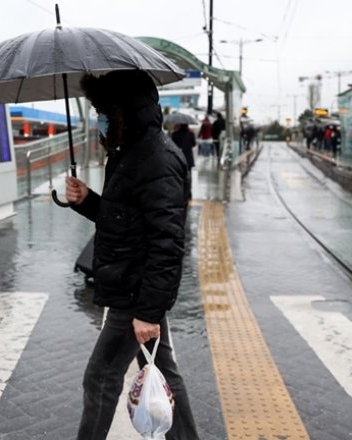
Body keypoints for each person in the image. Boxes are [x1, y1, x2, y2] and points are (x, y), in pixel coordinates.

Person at [64, 70, 199, 440]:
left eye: (103, 111)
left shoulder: (156, 159)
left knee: (100, 377)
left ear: (123, 110)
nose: (99, 119)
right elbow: (125, 221)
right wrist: (87, 200)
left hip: (134, 290)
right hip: (135, 283)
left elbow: (167, 242)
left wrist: (147, 312)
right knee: (164, 371)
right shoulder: (133, 153)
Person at [171, 122, 196, 200]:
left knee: (179, 176)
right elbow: (194, 144)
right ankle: (189, 193)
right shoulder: (191, 134)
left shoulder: (175, 134)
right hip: (188, 158)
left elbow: (172, 145)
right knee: (188, 176)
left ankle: (181, 192)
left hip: (178, 158)